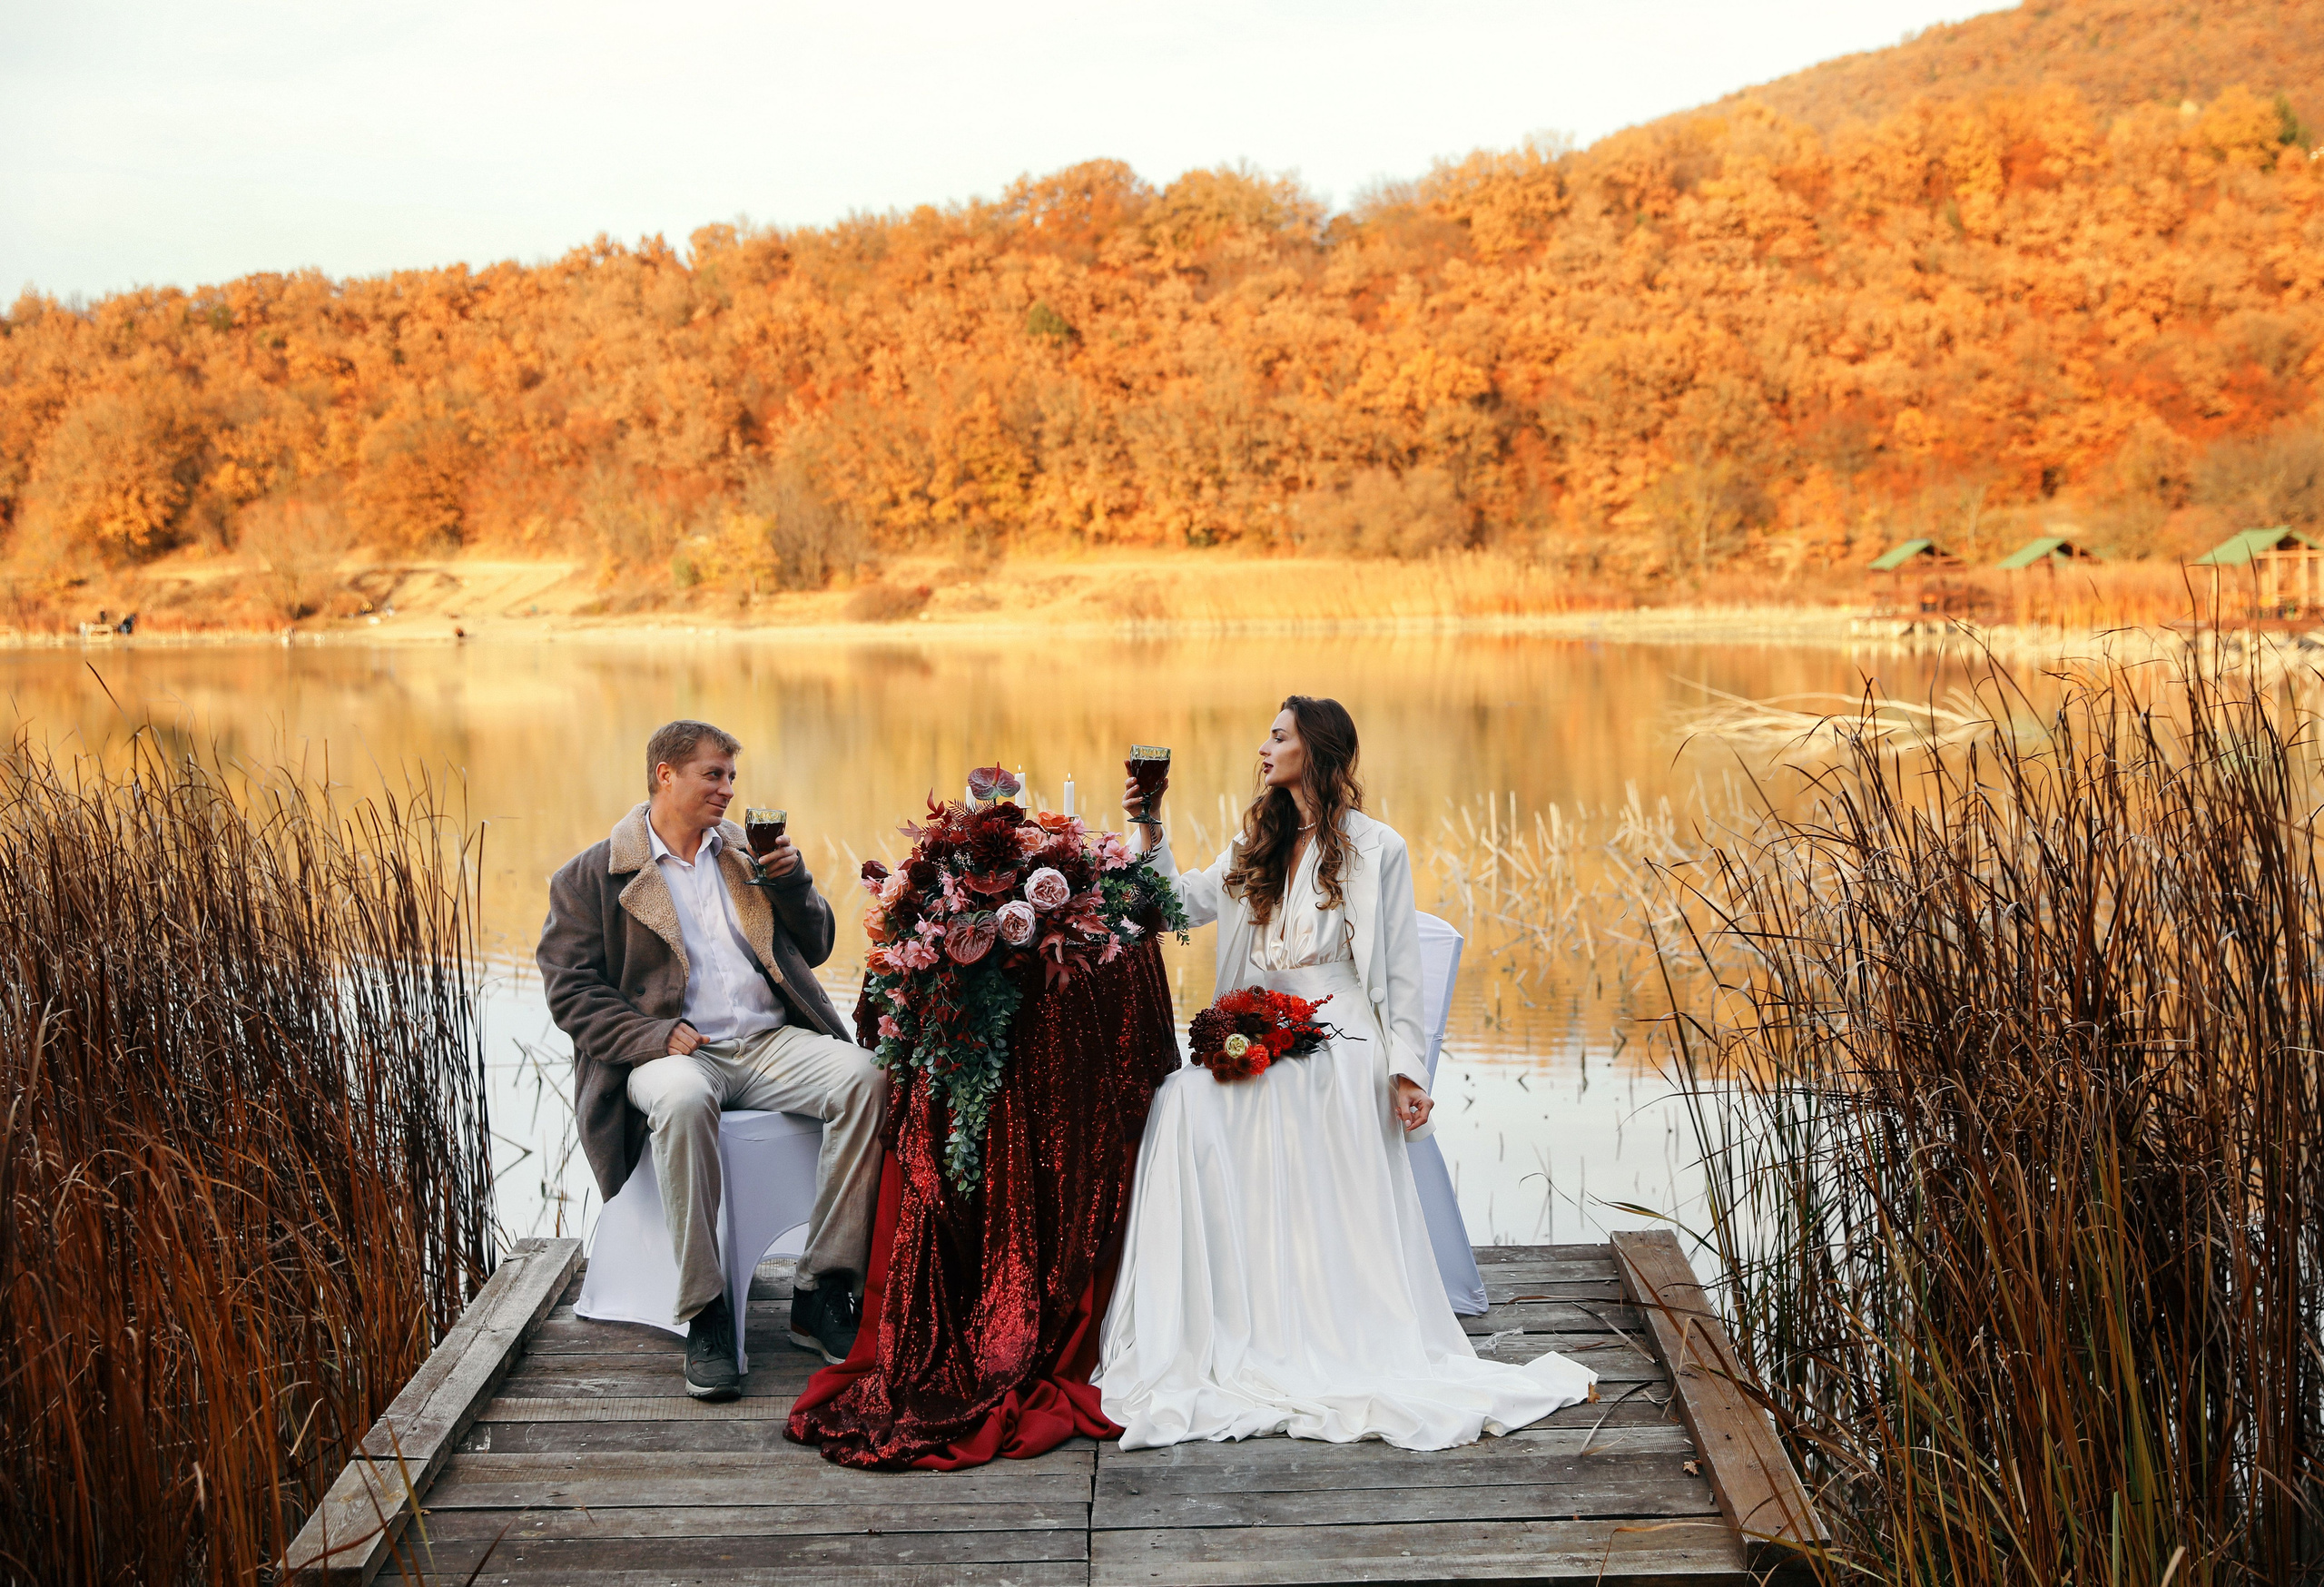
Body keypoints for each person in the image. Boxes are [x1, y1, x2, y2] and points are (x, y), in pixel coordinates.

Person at [1094, 695, 1597, 1449]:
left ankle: (1318, 1323)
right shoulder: (1255, 842)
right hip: (1259, 1022)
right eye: (1266, 736)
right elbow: (1172, 906)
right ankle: (1225, 1316)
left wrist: (1407, 1073)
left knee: (1272, 1087)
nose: (1263, 748)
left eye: (1278, 736)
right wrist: (1151, 825)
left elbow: (1396, 976)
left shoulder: (1377, 848)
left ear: (1316, 752)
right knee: (1181, 1098)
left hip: (1343, 1035)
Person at [538, 720, 888, 1401]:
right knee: (682, 1099)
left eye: (731, 776)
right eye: (713, 775)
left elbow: (813, 946)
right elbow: (568, 988)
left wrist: (793, 885)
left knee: (866, 1079)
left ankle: (821, 1289)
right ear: (665, 775)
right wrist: (650, 1035)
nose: (728, 790)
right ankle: (704, 1312)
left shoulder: (742, 854)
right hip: (674, 1052)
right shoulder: (591, 875)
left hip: (766, 1042)